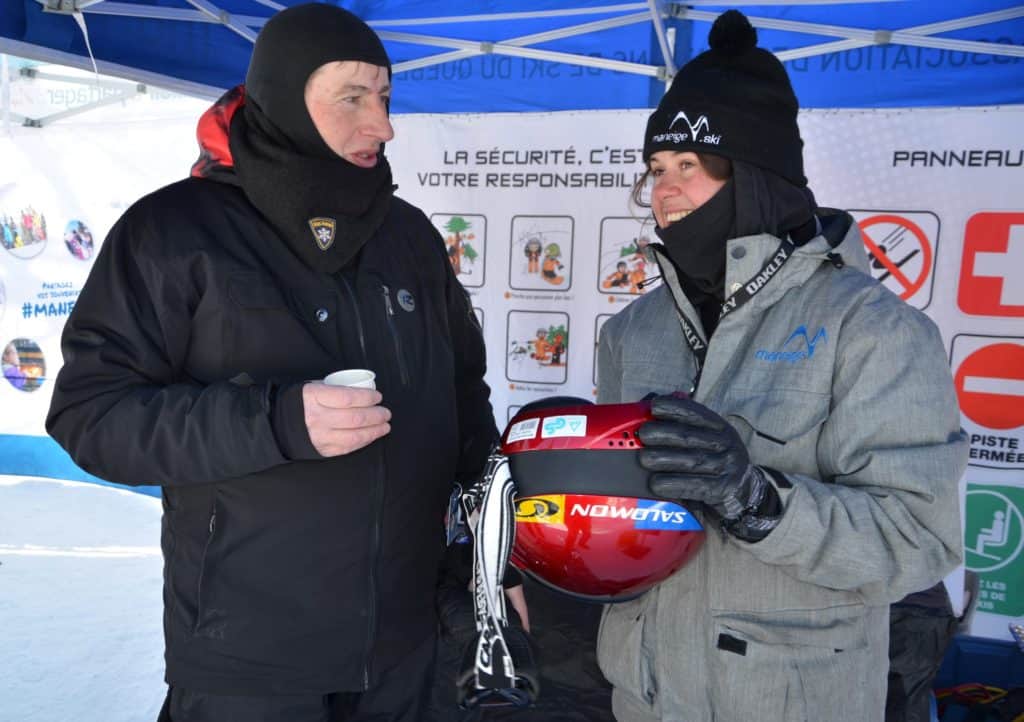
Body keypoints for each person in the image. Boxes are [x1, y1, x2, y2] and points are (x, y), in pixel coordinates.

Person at [45, 5, 497, 721]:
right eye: (352, 97)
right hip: (250, 659)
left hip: (404, 651)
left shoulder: (407, 236)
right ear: (284, 95)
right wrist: (275, 421)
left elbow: (464, 399)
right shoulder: (173, 232)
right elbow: (90, 417)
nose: (381, 124)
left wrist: (488, 566)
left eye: (384, 98)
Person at [594, 10, 966, 722]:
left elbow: (919, 542)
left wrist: (758, 501)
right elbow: (628, 508)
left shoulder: (872, 329)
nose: (665, 190)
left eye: (692, 167)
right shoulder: (630, 330)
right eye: (656, 170)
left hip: (788, 700)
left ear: (758, 179)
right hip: (645, 696)